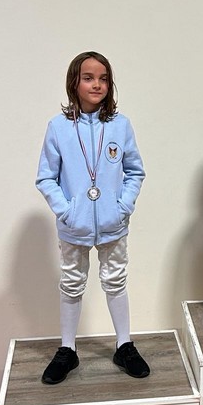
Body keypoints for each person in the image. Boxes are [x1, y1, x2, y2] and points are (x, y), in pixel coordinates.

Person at [36, 51, 149, 383]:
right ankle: (67, 350)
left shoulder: (120, 125)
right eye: (88, 78)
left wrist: (122, 206)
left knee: (116, 280)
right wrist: (67, 211)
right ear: (74, 82)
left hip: (113, 224)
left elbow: (135, 171)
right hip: (75, 225)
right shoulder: (58, 128)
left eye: (103, 78)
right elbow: (46, 177)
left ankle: (124, 345)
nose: (97, 84)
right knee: (72, 283)